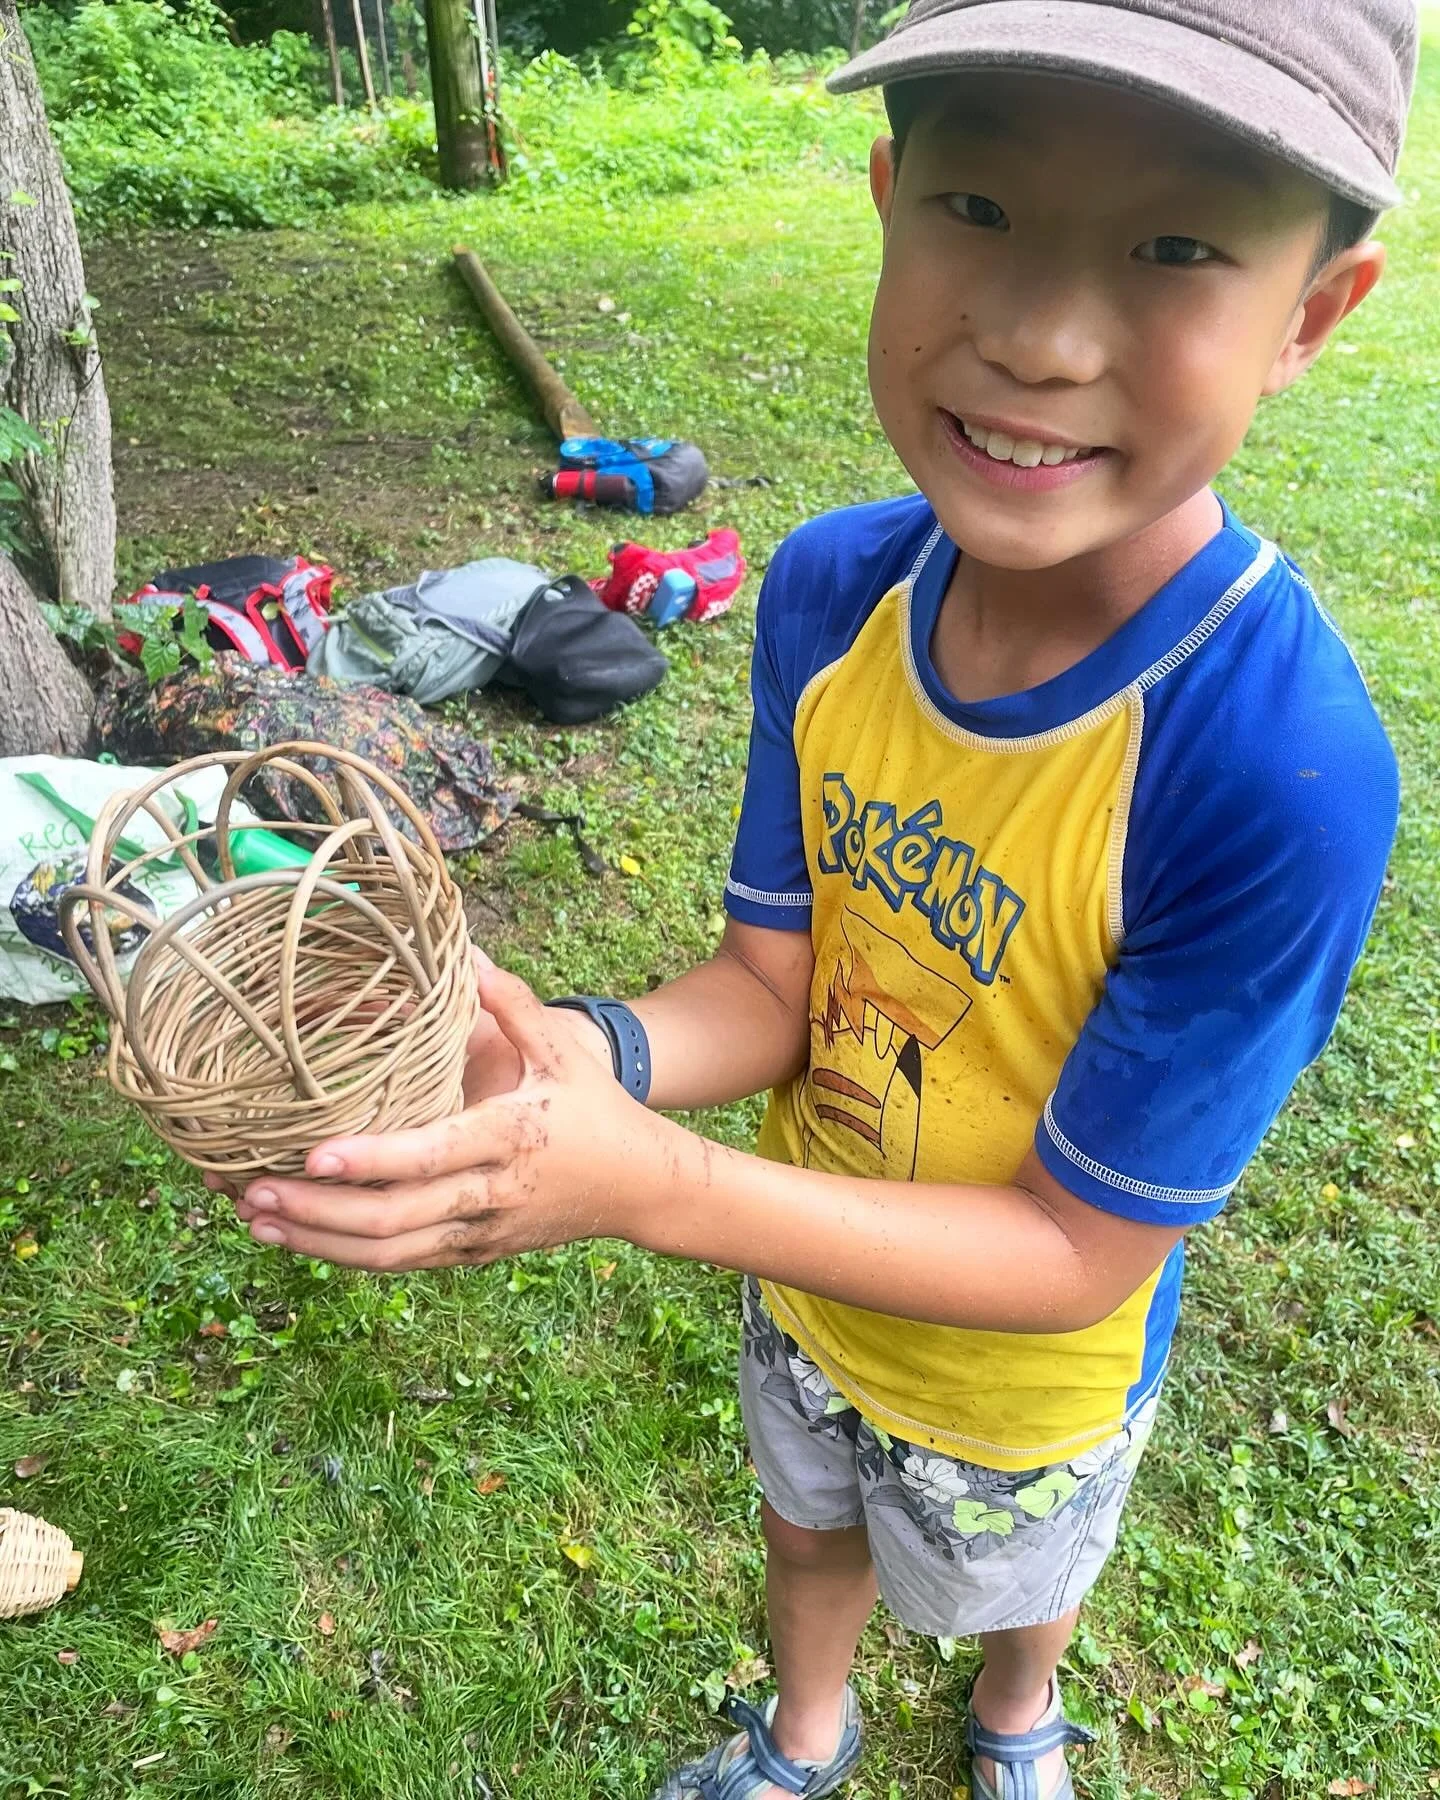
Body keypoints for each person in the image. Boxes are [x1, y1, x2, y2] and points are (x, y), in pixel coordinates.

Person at [224, 4, 1419, 1796]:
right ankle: (806, 1731)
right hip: (806, 1279)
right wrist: (589, 1056)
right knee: (806, 1535)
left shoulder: (1277, 764)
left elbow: (1084, 1248)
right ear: (887, 197)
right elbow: (775, 986)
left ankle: (1020, 1711)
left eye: (1177, 248)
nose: (1034, 334)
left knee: (1027, 1578)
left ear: (1313, 314)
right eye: (980, 209)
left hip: (1030, 1378)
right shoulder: (829, 590)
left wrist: (659, 1188)